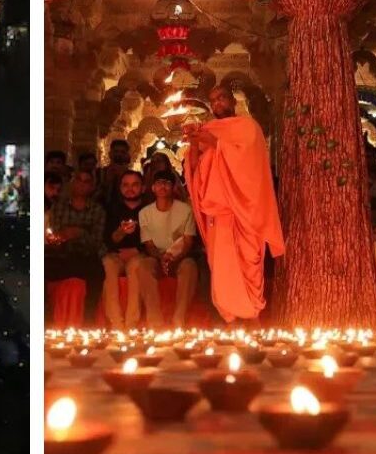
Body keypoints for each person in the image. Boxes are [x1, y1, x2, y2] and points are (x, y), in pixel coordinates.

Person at [184, 85, 285, 324]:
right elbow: (197, 170)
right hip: (218, 214)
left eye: (221, 98)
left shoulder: (248, 128)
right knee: (223, 272)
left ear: (232, 101)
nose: (217, 103)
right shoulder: (208, 129)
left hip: (246, 213)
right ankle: (229, 322)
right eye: (213, 100)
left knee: (249, 267)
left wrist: (216, 145)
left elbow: (251, 167)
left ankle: (253, 319)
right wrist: (196, 147)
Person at [133, 171, 198, 328]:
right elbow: (148, 244)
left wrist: (175, 257)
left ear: (173, 187)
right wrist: (160, 258)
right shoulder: (145, 213)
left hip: (179, 257)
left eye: (167, 183)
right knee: (144, 266)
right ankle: (154, 320)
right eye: (159, 183)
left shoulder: (185, 210)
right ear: (153, 188)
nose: (163, 186)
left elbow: (188, 241)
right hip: (157, 257)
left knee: (189, 266)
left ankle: (179, 318)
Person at [46, 170, 106, 318]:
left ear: (92, 186)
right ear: (72, 183)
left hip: (86, 256)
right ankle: (45, 319)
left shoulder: (97, 210)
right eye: (79, 180)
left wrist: (80, 233)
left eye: (87, 181)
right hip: (61, 255)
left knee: (97, 273)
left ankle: (88, 322)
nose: (82, 184)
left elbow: (97, 241)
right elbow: (54, 235)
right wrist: (62, 236)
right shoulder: (59, 208)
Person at [101, 171, 147, 329]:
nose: (130, 189)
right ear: (120, 188)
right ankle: (116, 323)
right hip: (116, 255)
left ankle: (131, 323)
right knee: (108, 265)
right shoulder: (112, 209)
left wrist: (136, 250)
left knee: (136, 267)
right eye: (126, 185)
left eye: (135, 185)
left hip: (139, 254)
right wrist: (121, 232)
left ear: (143, 188)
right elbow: (107, 239)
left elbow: (155, 239)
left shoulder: (148, 209)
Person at [97, 140, 133, 206]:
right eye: (116, 151)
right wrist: (107, 183)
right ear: (110, 153)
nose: (119, 154)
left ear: (127, 155)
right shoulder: (99, 173)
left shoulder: (132, 175)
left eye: (122, 152)